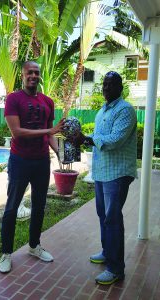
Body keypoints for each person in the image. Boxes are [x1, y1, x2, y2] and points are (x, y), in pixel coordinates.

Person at [70, 71, 137, 285]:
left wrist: (87, 139)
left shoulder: (125, 110)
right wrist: (83, 140)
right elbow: (99, 140)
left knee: (112, 219)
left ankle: (116, 269)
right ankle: (108, 252)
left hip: (117, 174)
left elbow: (115, 140)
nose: (106, 88)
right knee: (103, 215)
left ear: (120, 88)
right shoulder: (102, 111)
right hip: (102, 173)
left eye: (111, 84)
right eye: (104, 84)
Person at [0, 61, 64, 273]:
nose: (33, 76)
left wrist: (58, 152)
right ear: (23, 75)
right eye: (30, 72)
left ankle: (34, 246)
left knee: (39, 205)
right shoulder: (13, 99)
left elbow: (50, 133)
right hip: (20, 161)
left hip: (41, 162)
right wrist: (49, 132)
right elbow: (17, 132)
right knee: (11, 207)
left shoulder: (48, 101)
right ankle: (6, 253)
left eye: (36, 72)